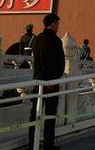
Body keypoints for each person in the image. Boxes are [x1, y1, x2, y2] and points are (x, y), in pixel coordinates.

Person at [29, 13, 65, 150]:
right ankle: (48, 145)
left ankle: (33, 143)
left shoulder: (37, 39)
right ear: (53, 24)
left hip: (37, 80)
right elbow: (58, 62)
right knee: (49, 115)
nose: (58, 27)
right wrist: (54, 79)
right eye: (58, 24)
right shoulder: (55, 40)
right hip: (51, 83)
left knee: (35, 114)